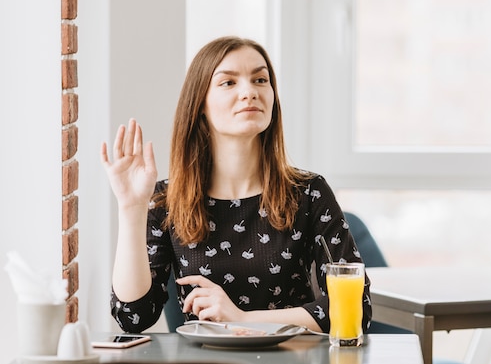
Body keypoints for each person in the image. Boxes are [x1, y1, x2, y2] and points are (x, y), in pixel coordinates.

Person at [101, 36, 372, 334]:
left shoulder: (309, 192)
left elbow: (355, 309)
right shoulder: (166, 201)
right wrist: (131, 208)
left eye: (260, 79)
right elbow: (133, 317)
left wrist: (241, 319)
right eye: (228, 83)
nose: (249, 92)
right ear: (200, 104)